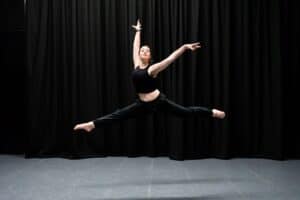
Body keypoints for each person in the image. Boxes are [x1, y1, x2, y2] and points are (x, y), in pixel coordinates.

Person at [73, 19, 225, 133]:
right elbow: (135, 47)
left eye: (147, 51)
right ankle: (91, 125)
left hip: (159, 102)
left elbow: (170, 59)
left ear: (150, 55)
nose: (143, 51)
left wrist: (184, 47)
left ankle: (211, 112)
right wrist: (138, 31)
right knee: (118, 115)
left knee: (185, 113)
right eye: (142, 50)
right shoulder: (137, 64)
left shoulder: (152, 69)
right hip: (142, 103)